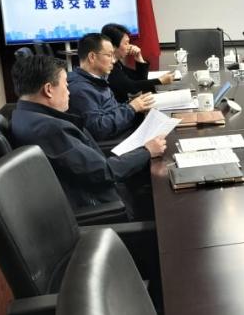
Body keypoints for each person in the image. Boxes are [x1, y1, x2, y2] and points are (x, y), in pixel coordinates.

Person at [10, 54, 166, 214]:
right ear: (48, 90)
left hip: (90, 191)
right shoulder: (50, 129)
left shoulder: (22, 116)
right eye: (65, 85)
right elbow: (103, 172)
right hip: (106, 207)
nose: (69, 92)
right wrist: (147, 151)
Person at [68, 32, 154, 141]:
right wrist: (131, 108)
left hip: (124, 132)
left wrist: (135, 106)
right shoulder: (80, 89)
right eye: (109, 55)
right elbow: (98, 130)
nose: (113, 60)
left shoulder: (97, 79)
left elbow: (111, 110)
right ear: (92, 57)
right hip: (116, 142)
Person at [102, 23, 173, 104]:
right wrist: (159, 81)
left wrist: (139, 58)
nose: (129, 47)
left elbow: (139, 79)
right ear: (113, 46)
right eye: (126, 43)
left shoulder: (117, 63)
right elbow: (131, 87)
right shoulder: (108, 67)